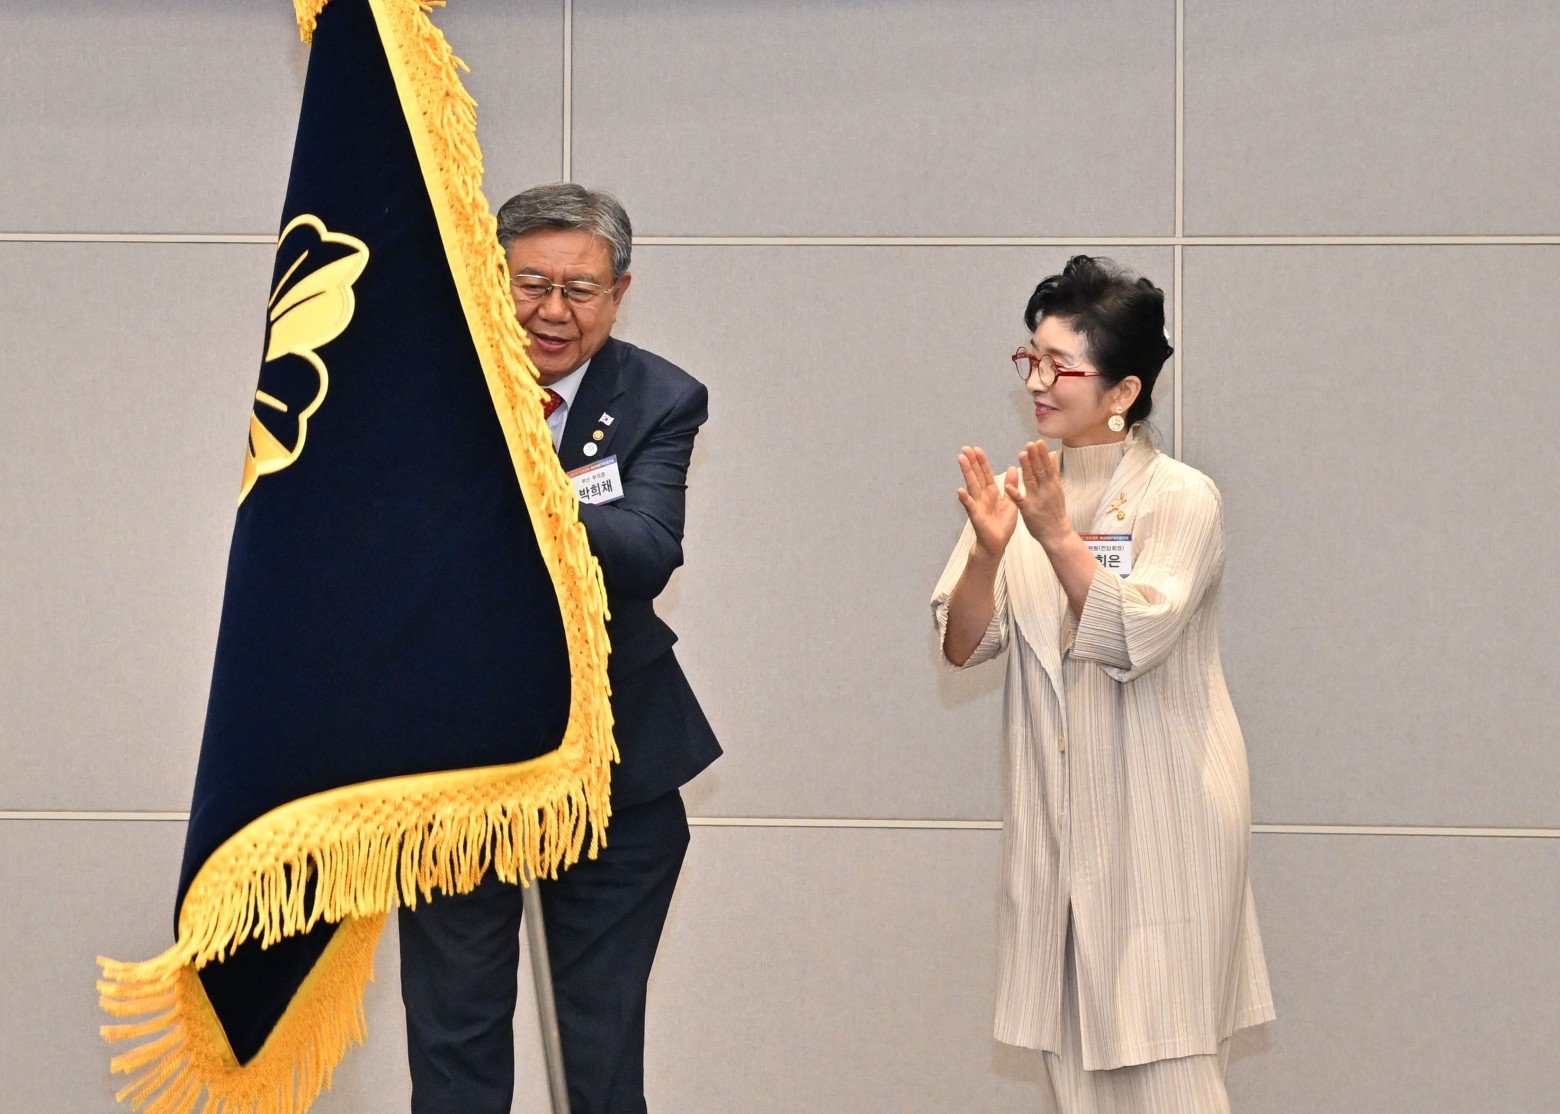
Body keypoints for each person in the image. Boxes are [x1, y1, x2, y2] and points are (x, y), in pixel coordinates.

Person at [397, 183, 721, 1114]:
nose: (552, 310)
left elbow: (647, 550)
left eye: (579, 290)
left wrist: (525, 477)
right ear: (492, 279)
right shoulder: (422, 389)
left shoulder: (659, 396)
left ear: (619, 293)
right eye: (531, 283)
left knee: (598, 1049)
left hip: (617, 763)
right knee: (455, 1040)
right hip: (456, 760)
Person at [931, 256, 1274, 1113]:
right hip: (1056, 822)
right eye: (1031, 358)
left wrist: (1056, 538)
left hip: (1165, 817)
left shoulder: (1181, 498)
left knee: (1170, 1072)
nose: (1037, 383)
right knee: (1077, 1076)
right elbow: (963, 646)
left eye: (1061, 366)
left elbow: (1136, 635)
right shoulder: (1016, 494)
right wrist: (987, 553)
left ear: (1123, 391)